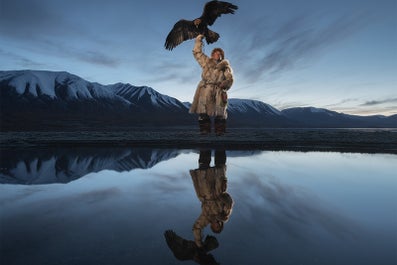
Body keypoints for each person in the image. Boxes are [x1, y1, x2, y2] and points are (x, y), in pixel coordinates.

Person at [189, 34, 234, 135]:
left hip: (219, 90)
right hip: (206, 88)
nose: (218, 55)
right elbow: (197, 53)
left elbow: (230, 79)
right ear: (212, 54)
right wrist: (199, 39)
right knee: (203, 111)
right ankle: (205, 130)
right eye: (216, 53)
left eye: (220, 54)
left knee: (220, 112)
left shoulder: (225, 67)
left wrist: (224, 84)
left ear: (222, 56)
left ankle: (220, 131)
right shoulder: (206, 62)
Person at [190, 149, 233, 248]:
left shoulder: (206, 218)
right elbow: (229, 201)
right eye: (220, 225)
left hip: (205, 190)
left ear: (212, 226)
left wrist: (199, 244)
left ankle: (205, 142)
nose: (217, 224)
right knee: (220, 164)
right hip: (218, 188)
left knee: (203, 166)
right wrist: (223, 200)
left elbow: (196, 228)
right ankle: (220, 141)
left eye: (216, 227)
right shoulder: (224, 213)